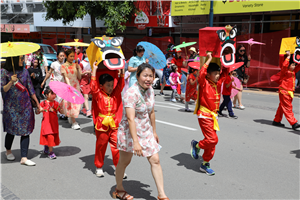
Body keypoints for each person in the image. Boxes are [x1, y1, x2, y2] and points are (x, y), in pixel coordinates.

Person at [115, 63, 169, 200]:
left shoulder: (150, 90)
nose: (148, 79)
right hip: (129, 132)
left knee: (155, 160)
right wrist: (136, 142)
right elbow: (130, 118)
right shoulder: (131, 93)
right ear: (137, 76)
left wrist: (154, 132)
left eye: (151, 76)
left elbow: (151, 112)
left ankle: (161, 194)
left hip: (146, 130)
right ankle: (118, 189)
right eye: (145, 75)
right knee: (125, 161)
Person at [190, 52, 229, 176]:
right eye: (215, 74)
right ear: (208, 75)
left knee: (211, 143)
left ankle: (205, 163)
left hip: (213, 116)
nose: (217, 76)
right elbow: (201, 73)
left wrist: (226, 59)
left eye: (218, 73)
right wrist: (208, 60)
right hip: (204, 115)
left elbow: (225, 73)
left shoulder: (217, 84)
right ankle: (197, 145)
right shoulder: (204, 82)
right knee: (213, 139)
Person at [0, 55, 40, 166]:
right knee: (11, 129)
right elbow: (2, 88)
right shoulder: (4, 72)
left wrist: (37, 103)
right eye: (21, 59)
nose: (24, 61)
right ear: (14, 60)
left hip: (25, 105)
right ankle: (8, 150)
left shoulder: (25, 71)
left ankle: (24, 157)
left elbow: (31, 88)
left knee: (26, 130)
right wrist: (10, 82)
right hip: (11, 106)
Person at [90, 62, 125, 177]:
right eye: (108, 85)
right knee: (101, 145)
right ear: (101, 86)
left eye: (111, 85)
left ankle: (118, 168)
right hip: (102, 125)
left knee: (116, 146)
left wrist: (122, 73)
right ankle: (99, 166)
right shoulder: (98, 95)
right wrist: (94, 70)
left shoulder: (115, 95)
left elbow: (120, 86)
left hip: (114, 124)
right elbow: (93, 87)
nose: (111, 88)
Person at [273, 51, 300, 130]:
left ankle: (276, 120)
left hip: (289, 92)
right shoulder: (284, 71)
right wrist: (288, 57)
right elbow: (284, 65)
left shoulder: (293, 71)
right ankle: (293, 123)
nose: (294, 66)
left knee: (282, 106)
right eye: (292, 65)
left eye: (294, 65)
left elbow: (299, 65)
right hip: (284, 91)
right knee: (288, 107)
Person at [36, 86, 62, 159]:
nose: (54, 95)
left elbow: (61, 111)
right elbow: (37, 112)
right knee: (50, 136)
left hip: (54, 123)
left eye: (54, 93)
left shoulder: (56, 103)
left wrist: (62, 107)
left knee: (51, 136)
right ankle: (51, 152)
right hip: (46, 123)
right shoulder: (43, 103)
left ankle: (47, 146)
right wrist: (39, 110)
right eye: (52, 93)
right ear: (46, 95)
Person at [60, 49, 82, 130]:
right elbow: (65, 77)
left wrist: (78, 69)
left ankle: (71, 117)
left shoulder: (75, 65)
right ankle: (74, 122)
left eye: (73, 56)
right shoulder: (63, 66)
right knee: (71, 104)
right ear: (66, 56)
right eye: (70, 56)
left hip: (76, 86)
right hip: (68, 87)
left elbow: (79, 77)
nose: (72, 58)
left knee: (77, 105)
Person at [41, 50, 66, 120]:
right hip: (56, 83)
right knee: (60, 98)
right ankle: (62, 114)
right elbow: (49, 73)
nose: (62, 57)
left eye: (63, 56)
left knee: (64, 99)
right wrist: (44, 81)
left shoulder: (66, 64)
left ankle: (62, 112)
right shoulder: (54, 64)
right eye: (60, 56)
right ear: (57, 56)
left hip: (64, 84)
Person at [233, 44, 251, 110]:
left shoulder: (245, 57)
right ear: (238, 50)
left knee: (236, 89)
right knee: (240, 88)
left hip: (242, 74)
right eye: (241, 50)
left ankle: (234, 103)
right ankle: (240, 104)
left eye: (244, 50)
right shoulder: (235, 56)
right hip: (236, 73)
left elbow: (247, 66)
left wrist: (249, 59)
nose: (242, 52)